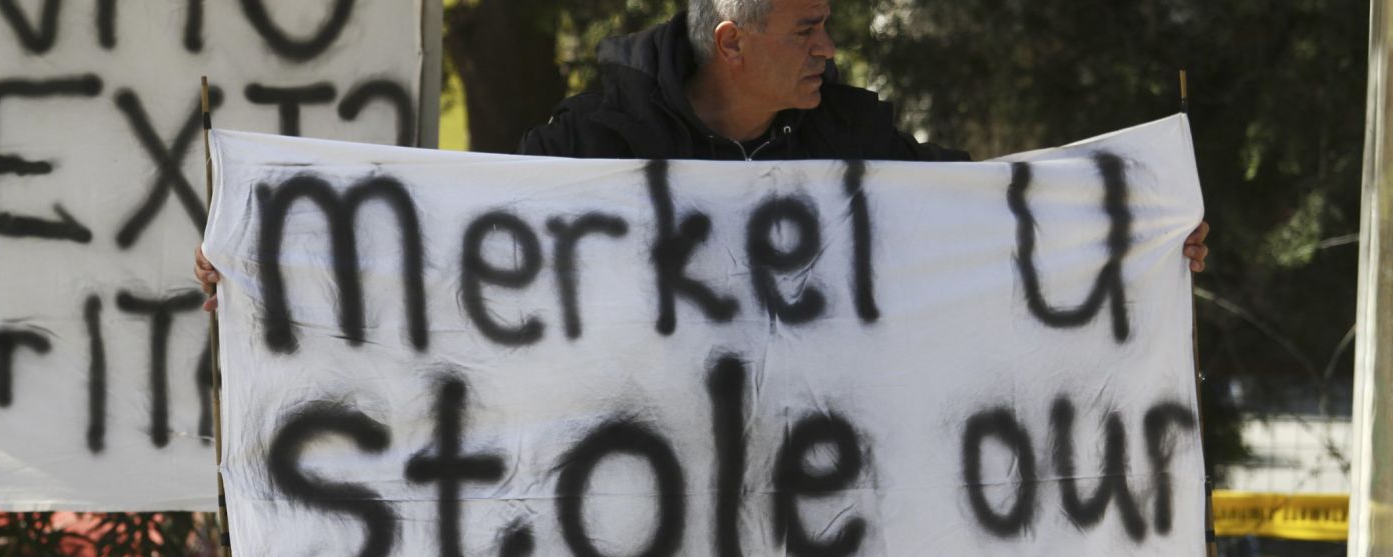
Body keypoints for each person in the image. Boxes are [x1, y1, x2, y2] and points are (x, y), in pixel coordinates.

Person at [196, 0, 1208, 303]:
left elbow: (991, 211)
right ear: (732, 43)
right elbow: (450, 248)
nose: (830, 47)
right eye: (807, 29)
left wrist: (1135, 232)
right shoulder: (589, 146)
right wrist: (273, 256)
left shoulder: (858, 139)